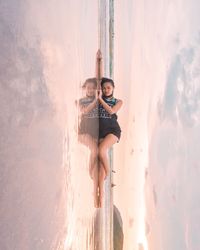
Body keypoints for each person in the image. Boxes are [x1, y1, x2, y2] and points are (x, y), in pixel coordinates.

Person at [97, 77, 123, 207]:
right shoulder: (97, 100)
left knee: (101, 150)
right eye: (104, 88)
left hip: (113, 131)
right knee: (100, 163)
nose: (106, 90)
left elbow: (112, 111)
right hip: (101, 132)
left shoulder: (117, 101)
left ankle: (109, 174)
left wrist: (100, 99)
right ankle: (100, 193)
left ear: (113, 88)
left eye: (109, 87)